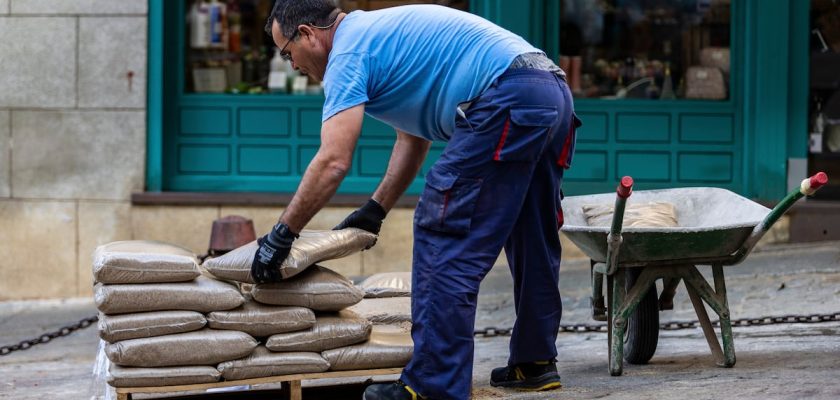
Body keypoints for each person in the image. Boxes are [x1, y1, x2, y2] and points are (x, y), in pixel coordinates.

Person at [254, 1, 579, 399]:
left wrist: (282, 234)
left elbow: (334, 161)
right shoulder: (379, 37)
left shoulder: (347, 54)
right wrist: (375, 210)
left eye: (288, 53)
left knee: (443, 233)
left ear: (307, 34)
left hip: (505, 96)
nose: (292, 65)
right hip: (549, 91)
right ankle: (535, 362)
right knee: (532, 231)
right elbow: (413, 137)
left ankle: (433, 385)